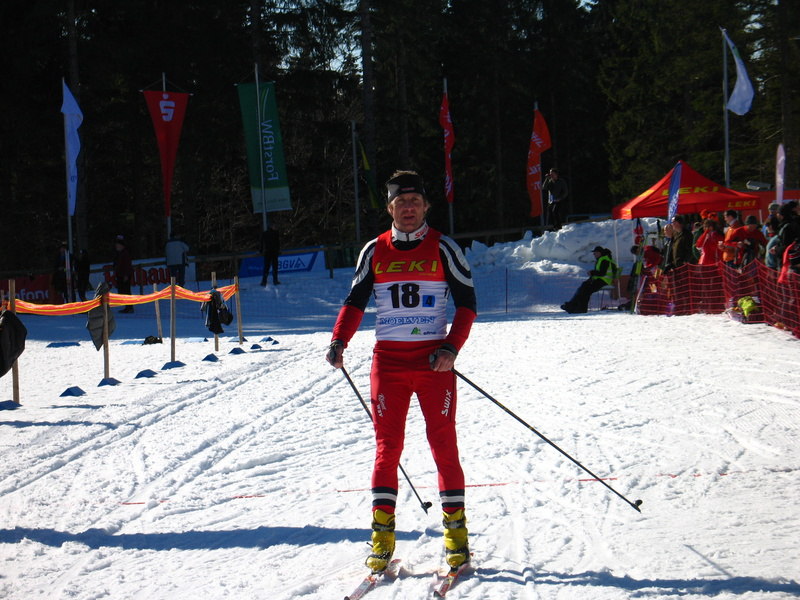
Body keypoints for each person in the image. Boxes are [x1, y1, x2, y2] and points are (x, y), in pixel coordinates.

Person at [326, 170, 477, 573]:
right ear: (390, 208)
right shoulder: (374, 250)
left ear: (425, 206)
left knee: (443, 443)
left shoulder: (444, 247)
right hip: (389, 364)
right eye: (400, 202)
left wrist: (451, 348)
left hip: (433, 363)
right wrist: (339, 340)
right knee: (387, 447)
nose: (408, 208)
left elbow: (467, 304)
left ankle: (456, 537)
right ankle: (382, 539)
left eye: (414, 201)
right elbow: (355, 301)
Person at [561, 246, 617, 314]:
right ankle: (572, 305)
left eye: (595, 253)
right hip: (600, 280)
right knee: (583, 287)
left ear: (599, 253)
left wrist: (592, 272)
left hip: (604, 281)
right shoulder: (602, 259)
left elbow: (602, 273)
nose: (594, 254)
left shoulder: (604, 260)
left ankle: (578, 308)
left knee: (586, 290)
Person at [113, 235, 134, 313]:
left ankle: (129, 307)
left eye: (118, 245)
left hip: (124, 274)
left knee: (126, 290)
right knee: (123, 290)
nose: (116, 246)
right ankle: (127, 306)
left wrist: (126, 275)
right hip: (121, 274)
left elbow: (127, 265)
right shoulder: (119, 254)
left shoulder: (125, 253)